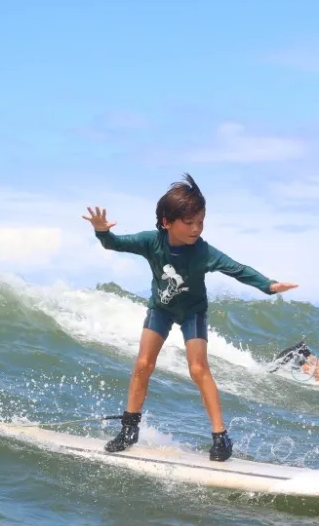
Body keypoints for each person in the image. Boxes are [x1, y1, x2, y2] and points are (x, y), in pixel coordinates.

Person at [85, 173, 297, 461]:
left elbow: (237, 268)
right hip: (160, 309)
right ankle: (128, 428)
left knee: (198, 369)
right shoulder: (151, 242)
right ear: (167, 222)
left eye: (201, 221)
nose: (197, 228)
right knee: (143, 364)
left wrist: (268, 285)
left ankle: (221, 438)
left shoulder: (203, 252)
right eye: (190, 222)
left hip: (192, 312)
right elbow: (115, 244)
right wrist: (102, 232)